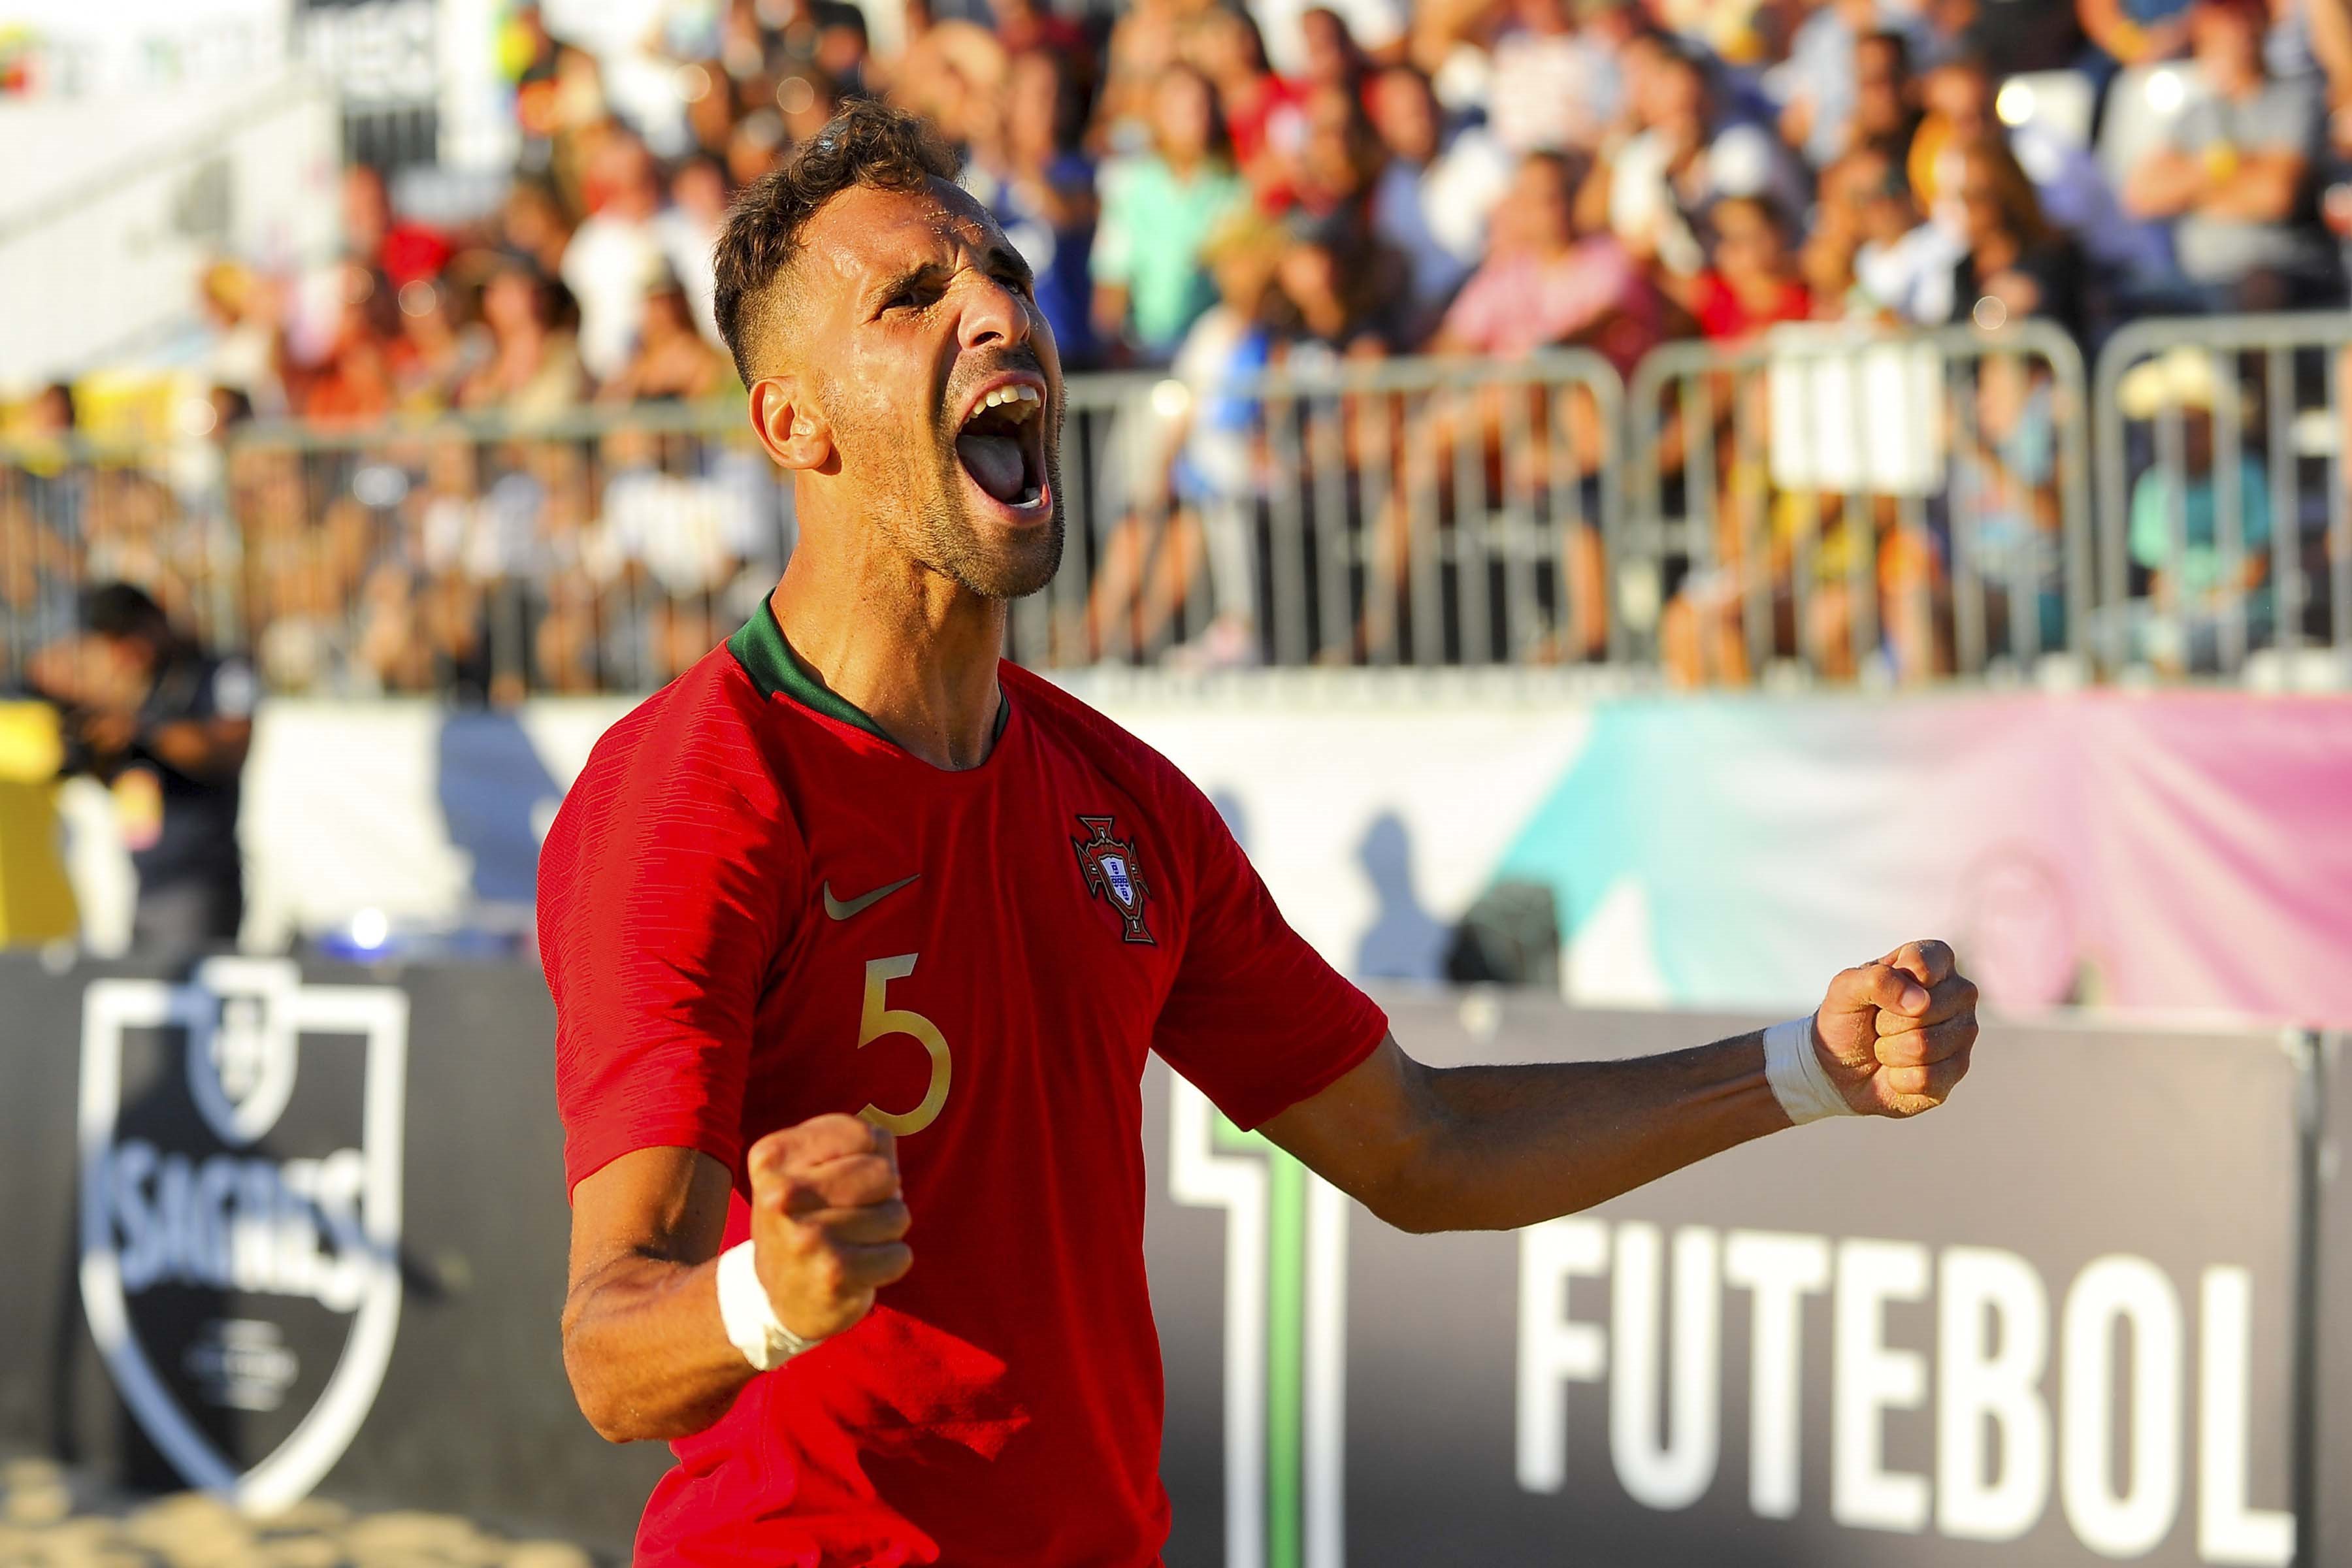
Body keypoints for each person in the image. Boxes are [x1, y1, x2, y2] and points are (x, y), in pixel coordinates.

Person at [543, 101, 1981, 1563]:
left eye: (1007, 277)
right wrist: (767, 1295)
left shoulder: (1122, 803)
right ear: (794, 423)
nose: (995, 311)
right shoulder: (695, 795)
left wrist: (1804, 1068)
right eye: (912, 298)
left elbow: (1421, 1149)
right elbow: (610, 1348)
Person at [29, 583, 253, 951]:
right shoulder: (140, 687)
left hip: (199, 880)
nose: (127, 656)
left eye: (129, 640)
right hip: (141, 881)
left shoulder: (217, 673)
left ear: (153, 622)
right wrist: (96, 750)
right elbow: (120, 779)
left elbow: (228, 749)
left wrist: (141, 729)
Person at [2123, 0, 2338, 309]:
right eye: (2210, 36)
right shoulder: (2195, 116)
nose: (2219, 46)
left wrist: (2191, 194)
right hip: (2199, 277)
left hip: (2285, 275)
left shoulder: (2296, 101)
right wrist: (2229, 166)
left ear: (2256, 32)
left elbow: (2274, 196)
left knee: (2258, 287)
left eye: (2228, 34)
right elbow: (2142, 195)